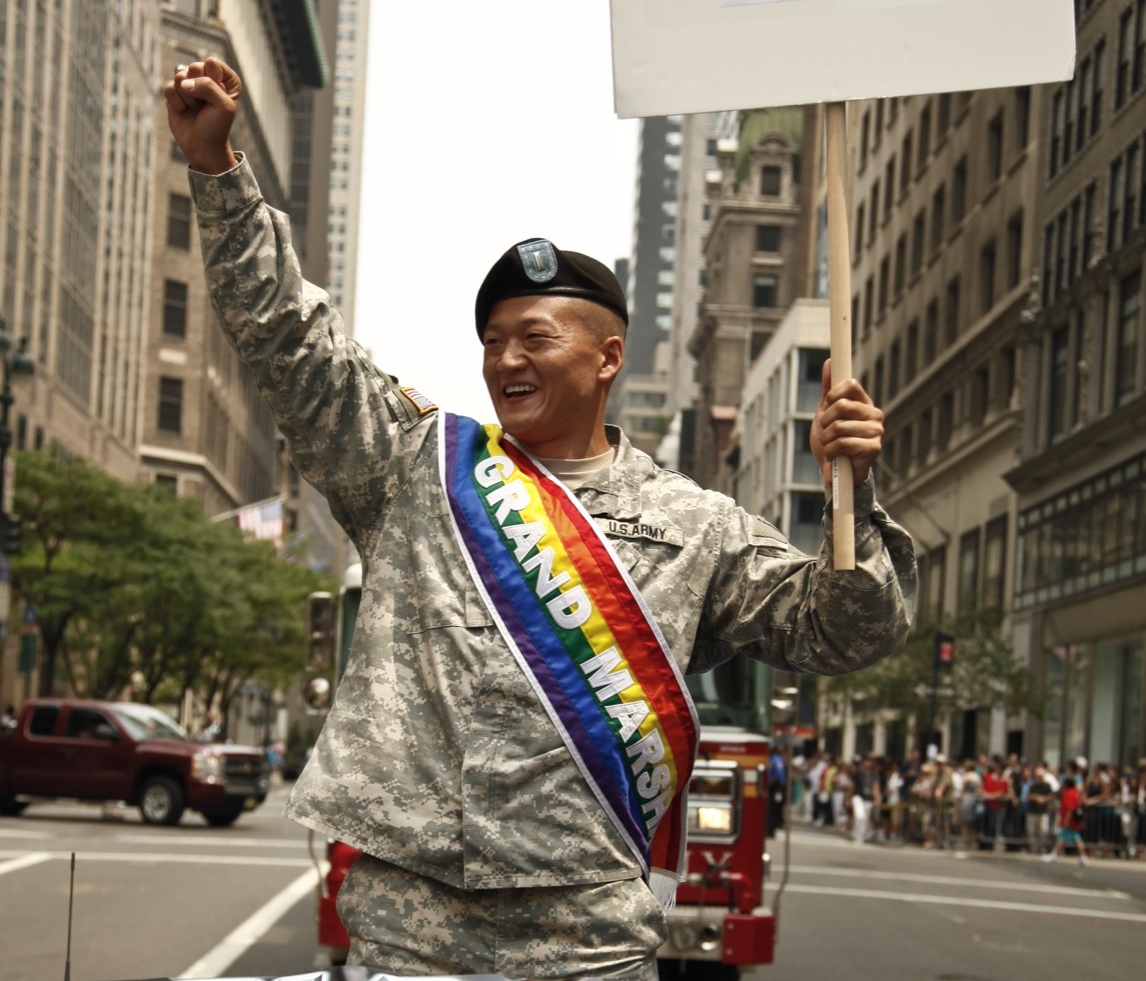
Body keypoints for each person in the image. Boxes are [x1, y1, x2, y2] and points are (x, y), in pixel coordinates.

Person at [164, 57, 917, 981]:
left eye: (533, 338)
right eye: (491, 341)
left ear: (607, 358)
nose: (504, 359)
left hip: (587, 943)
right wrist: (217, 173)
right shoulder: (416, 467)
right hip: (410, 933)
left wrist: (855, 491)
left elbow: (845, 630)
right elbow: (292, 341)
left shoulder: (694, 525)